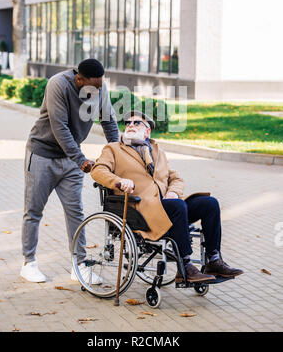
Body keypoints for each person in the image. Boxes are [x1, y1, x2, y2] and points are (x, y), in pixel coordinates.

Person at [91, 111, 244, 283]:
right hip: (141, 209)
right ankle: (185, 265)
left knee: (209, 204)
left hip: (164, 204)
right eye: (128, 123)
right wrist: (118, 181)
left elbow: (176, 178)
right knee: (178, 207)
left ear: (147, 131)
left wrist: (173, 192)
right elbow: (98, 170)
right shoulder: (113, 149)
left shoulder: (157, 152)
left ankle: (214, 260)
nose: (130, 126)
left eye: (136, 123)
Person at [21, 58, 119, 283]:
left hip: (71, 160)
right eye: (92, 86)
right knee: (33, 211)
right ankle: (29, 262)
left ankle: (79, 265)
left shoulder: (99, 89)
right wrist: (81, 159)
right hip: (42, 155)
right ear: (78, 79)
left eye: (100, 86)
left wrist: (118, 154)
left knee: (75, 212)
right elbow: (59, 126)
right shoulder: (58, 84)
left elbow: (109, 122)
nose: (97, 90)